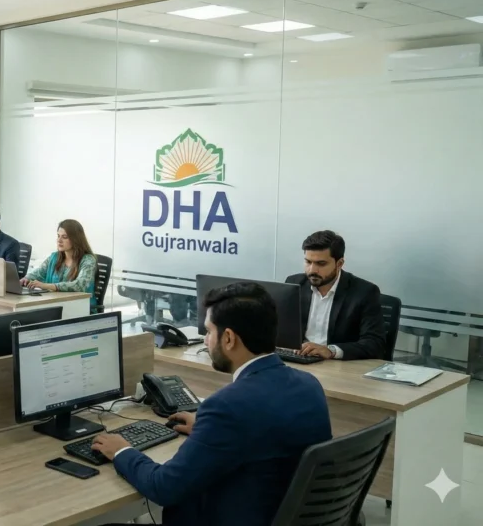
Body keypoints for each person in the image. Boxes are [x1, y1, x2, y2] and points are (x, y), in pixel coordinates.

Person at [92, 282, 332, 526]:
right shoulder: (308, 384)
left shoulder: (227, 407)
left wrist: (122, 450)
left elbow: (164, 487)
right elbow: (266, 436)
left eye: (208, 332)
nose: (205, 341)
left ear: (228, 338)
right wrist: (207, 430)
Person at [285, 230, 387, 361]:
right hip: (298, 359)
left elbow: (375, 344)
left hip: (337, 367)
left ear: (339, 264)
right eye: (308, 262)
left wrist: (330, 351)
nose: (312, 270)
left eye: (321, 264)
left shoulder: (364, 292)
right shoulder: (295, 284)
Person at [20, 219, 97, 310]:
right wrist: (25, 279)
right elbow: (39, 272)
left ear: (76, 239)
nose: (59, 240)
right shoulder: (54, 257)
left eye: (64, 237)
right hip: (55, 306)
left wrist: (48, 286)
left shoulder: (88, 260)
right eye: (58, 236)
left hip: (80, 309)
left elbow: (80, 285)